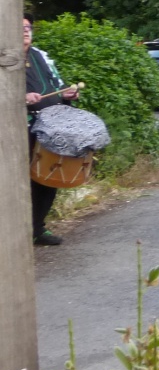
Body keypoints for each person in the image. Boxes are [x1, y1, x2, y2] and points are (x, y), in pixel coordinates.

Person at [24, 14, 81, 246]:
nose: (25, 31)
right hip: (18, 129)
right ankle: (17, 231)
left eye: (28, 27)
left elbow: (56, 83)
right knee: (21, 181)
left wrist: (67, 93)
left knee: (48, 177)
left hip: (49, 127)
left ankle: (37, 228)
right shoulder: (5, 57)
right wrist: (21, 97)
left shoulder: (40, 55)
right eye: (20, 28)